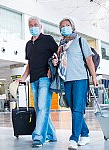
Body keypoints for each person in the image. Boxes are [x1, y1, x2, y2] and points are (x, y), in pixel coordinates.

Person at [53, 18, 97, 150]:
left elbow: (89, 60)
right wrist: (56, 62)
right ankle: (85, 133)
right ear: (60, 30)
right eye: (62, 26)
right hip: (67, 80)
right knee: (74, 109)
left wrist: (93, 77)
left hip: (80, 79)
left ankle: (74, 138)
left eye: (67, 25)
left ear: (72, 27)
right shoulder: (61, 46)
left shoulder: (80, 40)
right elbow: (60, 63)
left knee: (78, 109)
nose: (65, 27)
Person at [17, 16, 58, 148]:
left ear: (40, 26)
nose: (33, 27)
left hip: (45, 79)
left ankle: (39, 137)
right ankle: (51, 135)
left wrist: (53, 66)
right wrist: (23, 77)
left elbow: (58, 54)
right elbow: (29, 63)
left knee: (42, 107)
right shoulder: (28, 44)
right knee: (39, 109)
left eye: (35, 24)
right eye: (30, 25)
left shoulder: (48, 39)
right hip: (33, 80)